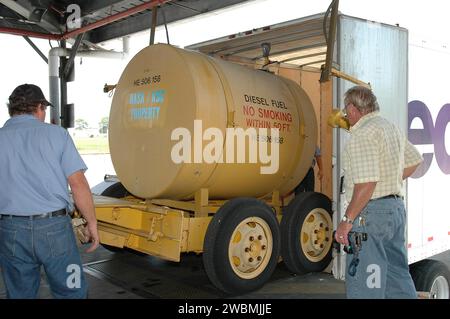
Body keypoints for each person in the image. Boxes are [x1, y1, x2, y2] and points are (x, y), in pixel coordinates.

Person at [0, 84, 99, 299]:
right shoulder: (57, 135)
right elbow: (78, 183)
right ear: (39, 107)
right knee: (71, 290)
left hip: (11, 231)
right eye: (43, 109)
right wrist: (92, 222)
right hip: (55, 230)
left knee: (19, 294)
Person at [334, 86, 423, 299]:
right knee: (397, 276)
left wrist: (347, 221)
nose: (345, 114)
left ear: (354, 108)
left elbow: (366, 184)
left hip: (370, 216)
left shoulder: (362, 134)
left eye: (346, 109)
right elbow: (415, 160)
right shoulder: (389, 127)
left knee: (367, 284)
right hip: (395, 210)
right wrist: (389, 179)